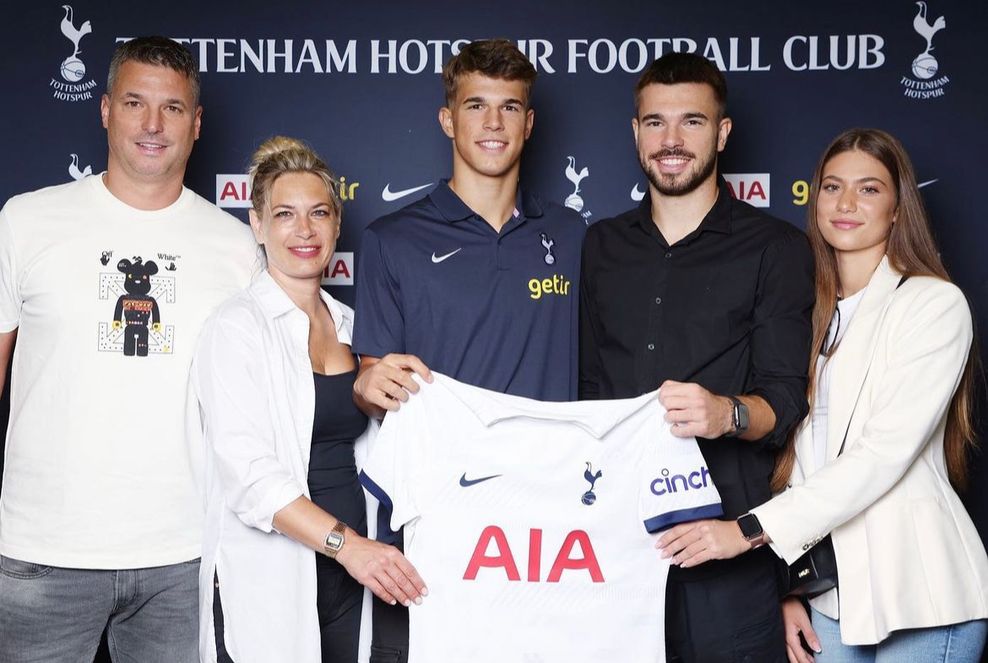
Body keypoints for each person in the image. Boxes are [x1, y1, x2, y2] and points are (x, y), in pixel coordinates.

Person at [656, 128, 988, 663]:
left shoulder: (934, 304)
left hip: (923, 595)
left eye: (869, 189)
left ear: (900, 208)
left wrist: (748, 532)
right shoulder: (808, 312)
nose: (847, 203)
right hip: (835, 600)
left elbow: (882, 455)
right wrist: (792, 588)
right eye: (832, 187)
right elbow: (798, 455)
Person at [0, 37, 257, 662]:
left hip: (182, 556)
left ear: (195, 125)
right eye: (136, 102)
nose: (152, 124)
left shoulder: (237, 247)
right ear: (105, 109)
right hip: (44, 553)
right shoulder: (26, 221)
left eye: (171, 109)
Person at [352, 39, 586, 662]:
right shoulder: (391, 239)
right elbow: (372, 375)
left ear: (530, 123)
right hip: (441, 511)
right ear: (447, 118)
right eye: (475, 105)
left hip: (550, 509)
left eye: (509, 107)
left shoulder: (572, 234)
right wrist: (367, 384)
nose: (492, 123)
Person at [579, 52, 814, 662]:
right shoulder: (601, 244)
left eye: (692, 122)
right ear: (636, 133)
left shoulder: (777, 248)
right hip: (616, 546)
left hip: (727, 552)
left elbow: (785, 401)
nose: (672, 140)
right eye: (655, 122)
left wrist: (725, 415)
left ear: (723, 132)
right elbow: (586, 389)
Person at [191, 137, 427, 663]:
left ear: (337, 224)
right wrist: (352, 548)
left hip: (353, 583)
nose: (304, 230)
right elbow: (250, 478)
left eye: (319, 213)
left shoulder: (352, 325)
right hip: (279, 575)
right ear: (256, 224)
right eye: (285, 214)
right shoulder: (236, 327)